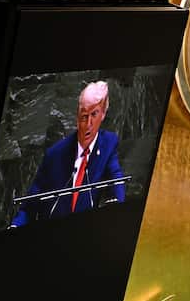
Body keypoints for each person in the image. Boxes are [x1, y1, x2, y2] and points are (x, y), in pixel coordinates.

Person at [10, 81, 124, 226]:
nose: (88, 123)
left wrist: (118, 208)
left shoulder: (108, 143)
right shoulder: (55, 154)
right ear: (77, 116)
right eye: (84, 116)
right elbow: (30, 206)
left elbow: (116, 180)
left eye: (94, 114)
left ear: (103, 114)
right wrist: (15, 226)